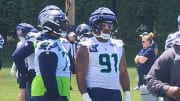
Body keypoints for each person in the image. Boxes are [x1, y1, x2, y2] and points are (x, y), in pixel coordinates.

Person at [13, 5, 71, 101]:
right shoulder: (46, 44)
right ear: (50, 23)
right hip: (46, 93)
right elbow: (48, 75)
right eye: (61, 23)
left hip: (57, 92)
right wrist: (26, 74)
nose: (64, 26)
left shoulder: (57, 41)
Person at [75, 7, 131, 101]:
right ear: (95, 25)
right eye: (103, 25)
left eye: (110, 25)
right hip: (95, 90)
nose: (107, 28)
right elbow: (80, 73)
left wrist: (127, 92)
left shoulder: (118, 45)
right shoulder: (86, 46)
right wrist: (85, 95)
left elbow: (123, 72)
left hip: (115, 91)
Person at [12, 23, 38, 101]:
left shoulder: (25, 42)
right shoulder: (29, 42)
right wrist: (24, 72)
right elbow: (17, 56)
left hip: (29, 69)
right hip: (33, 70)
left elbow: (17, 56)